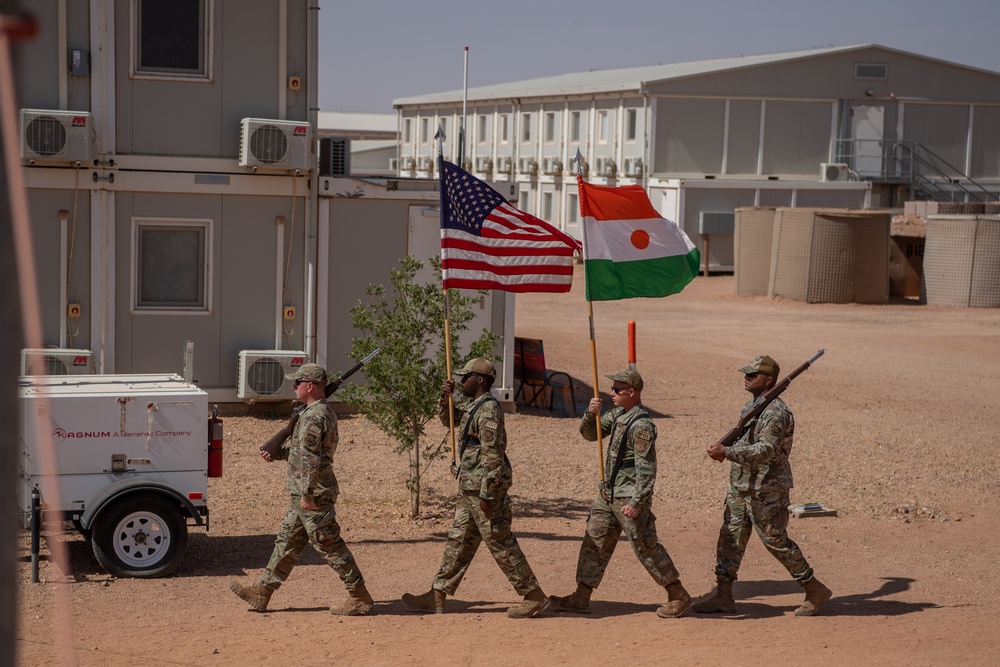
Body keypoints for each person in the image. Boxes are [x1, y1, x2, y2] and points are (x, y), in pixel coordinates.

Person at [402, 358, 548, 619]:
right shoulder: (474, 406)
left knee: (500, 542)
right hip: (469, 489)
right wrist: (445, 398)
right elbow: (451, 421)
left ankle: (533, 595)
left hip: (482, 491)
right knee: (458, 542)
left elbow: (493, 456)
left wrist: (488, 494)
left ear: (480, 380)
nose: (461, 381)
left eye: (465, 377)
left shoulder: (489, 411)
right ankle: (438, 594)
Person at [229, 363, 375, 616]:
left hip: (313, 494)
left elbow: (310, 459)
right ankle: (262, 592)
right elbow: (303, 452)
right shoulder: (313, 413)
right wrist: (276, 452)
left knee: (328, 545)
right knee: (286, 542)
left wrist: (307, 494)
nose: (293, 387)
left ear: (310, 386)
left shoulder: (315, 416)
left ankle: (359, 596)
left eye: (297, 383)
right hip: (304, 493)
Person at [695, 355, 832, 617]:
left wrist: (727, 451)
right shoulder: (753, 406)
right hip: (741, 485)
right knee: (729, 539)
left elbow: (765, 450)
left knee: (775, 541)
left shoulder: (776, 412)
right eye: (746, 374)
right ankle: (723, 594)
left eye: (752, 375)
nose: (746, 379)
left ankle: (814, 588)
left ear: (769, 380)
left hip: (766, 488)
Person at [549, 369, 691, 618]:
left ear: (632, 392)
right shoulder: (616, 415)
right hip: (608, 494)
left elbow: (646, 469)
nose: (611, 393)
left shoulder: (642, 425)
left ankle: (678, 594)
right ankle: (581, 596)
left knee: (645, 547)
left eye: (616, 390)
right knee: (594, 542)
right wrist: (589, 414)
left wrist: (638, 501)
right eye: (612, 389)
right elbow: (590, 435)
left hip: (628, 496)